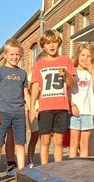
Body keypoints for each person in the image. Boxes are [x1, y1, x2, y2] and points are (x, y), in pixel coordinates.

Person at [29, 30, 75, 165]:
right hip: (45, 108)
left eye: (54, 42)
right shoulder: (39, 64)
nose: (52, 45)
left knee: (59, 141)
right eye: (48, 43)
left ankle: (58, 168)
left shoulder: (66, 61)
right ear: (43, 46)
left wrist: (66, 75)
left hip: (61, 106)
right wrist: (32, 107)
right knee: (45, 140)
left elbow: (72, 84)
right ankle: (45, 167)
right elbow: (35, 86)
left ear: (59, 43)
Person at [0, 39, 29, 182]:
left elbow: (26, 93)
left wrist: (31, 109)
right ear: (5, 55)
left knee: (20, 144)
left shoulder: (22, 73)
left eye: (17, 54)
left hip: (19, 113)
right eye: (12, 54)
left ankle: (21, 173)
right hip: (3, 112)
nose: (15, 57)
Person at [69, 43, 94, 158]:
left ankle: (82, 165)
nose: (85, 58)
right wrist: (71, 105)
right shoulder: (73, 71)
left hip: (88, 111)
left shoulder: (91, 73)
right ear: (78, 56)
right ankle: (72, 165)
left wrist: (93, 71)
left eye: (89, 56)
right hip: (74, 112)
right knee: (74, 142)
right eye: (83, 55)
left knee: (84, 143)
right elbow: (67, 90)